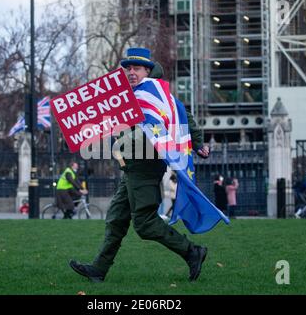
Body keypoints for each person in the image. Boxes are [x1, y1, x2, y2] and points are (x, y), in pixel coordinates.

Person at [69, 47, 211, 282]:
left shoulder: (155, 93)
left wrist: (197, 144)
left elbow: (182, 115)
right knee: (116, 220)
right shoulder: (126, 95)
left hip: (146, 167)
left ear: (148, 70)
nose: (131, 72)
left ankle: (192, 251)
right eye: (128, 68)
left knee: (145, 224)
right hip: (130, 168)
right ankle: (99, 270)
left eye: (136, 68)